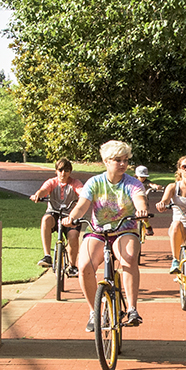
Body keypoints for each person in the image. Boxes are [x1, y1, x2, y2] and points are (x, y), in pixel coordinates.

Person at [64, 140, 152, 329]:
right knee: (84, 266)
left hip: (125, 230)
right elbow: (82, 206)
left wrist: (141, 211)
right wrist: (72, 217)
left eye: (125, 160)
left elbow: (140, 200)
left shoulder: (133, 183)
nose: (122, 164)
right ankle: (94, 312)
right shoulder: (94, 183)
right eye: (117, 160)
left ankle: (132, 309)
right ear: (106, 161)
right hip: (97, 231)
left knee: (128, 260)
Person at [32, 159, 82, 276]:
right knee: (45, 220)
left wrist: (84, 196)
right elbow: (44, 190)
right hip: (54, 213)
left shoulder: (75, 183)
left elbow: (81, 191)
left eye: (66, 170)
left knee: (73, 236)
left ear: (70, 172)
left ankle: (72, 265)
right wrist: (38, 195)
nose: (63, 173)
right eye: (60, 170)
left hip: (70, 215)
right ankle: (47, 256)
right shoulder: (52, 182)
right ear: (56, 171)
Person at [156, 155, 186, 274]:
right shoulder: (173, 187)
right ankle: (175, 259)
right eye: (184, 166)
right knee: (176, 224)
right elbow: (165, 200)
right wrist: (162, 204)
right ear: (179, 169)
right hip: (181, 227)